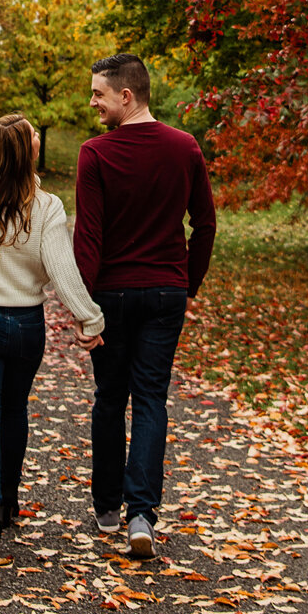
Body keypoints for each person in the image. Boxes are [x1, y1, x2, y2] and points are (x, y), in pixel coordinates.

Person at [74, 53, 216, 559]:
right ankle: (141, 514)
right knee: (151, 398)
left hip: (111, 294)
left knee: (111, 397)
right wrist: (187, 282)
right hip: (164, 294)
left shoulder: (95, 155)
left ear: (126, 96)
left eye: (98, 93)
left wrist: (83, 308)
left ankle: (108, 507)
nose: (92, 102)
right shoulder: (185, 148)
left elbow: (87, 238)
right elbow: (205, 224)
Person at [0, 112, 104, 563]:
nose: (38, 138)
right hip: (24, 326)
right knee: (14, 410)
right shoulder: (47, 206)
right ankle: (10, 499)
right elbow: (61, 270)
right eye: (33, 135)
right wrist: (89, 319)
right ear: (26, 151)